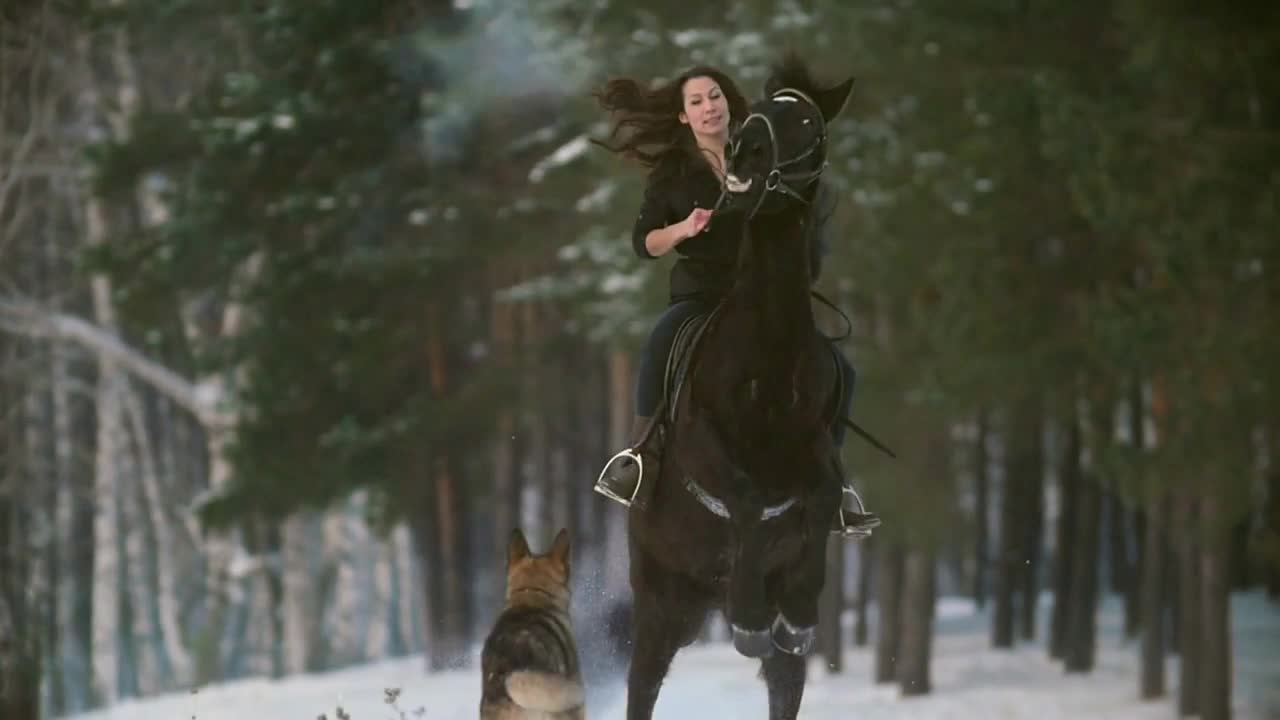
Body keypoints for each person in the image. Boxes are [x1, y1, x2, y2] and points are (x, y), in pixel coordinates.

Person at [589, 65, 879, 538]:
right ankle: (639, 456)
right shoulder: (673, 174)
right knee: (661, 342)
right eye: (697, 102)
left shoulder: (761, 148)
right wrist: (685, 227)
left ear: (729, 102)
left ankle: (834, 483)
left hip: (765, 296)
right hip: (702, 295)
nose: (710, 107)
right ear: (684, 117)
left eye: (715, 96)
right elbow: (644, 242)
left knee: (841, 369)